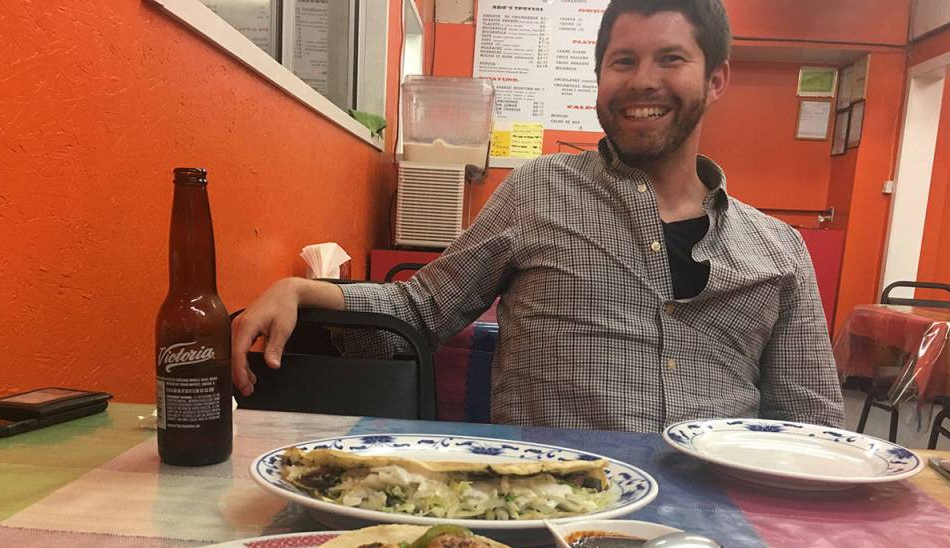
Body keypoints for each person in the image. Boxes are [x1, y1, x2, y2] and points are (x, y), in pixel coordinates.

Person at [232, 0, 845, 432]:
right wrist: (303, 289)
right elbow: (420, 310)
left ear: (716, 79)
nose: (643, 82)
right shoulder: (537, 195)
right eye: (623, 61)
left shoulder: (780, 251)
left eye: (671, 60)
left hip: (715, 528)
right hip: (553, 506)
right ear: (600, 75)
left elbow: (811, 426)